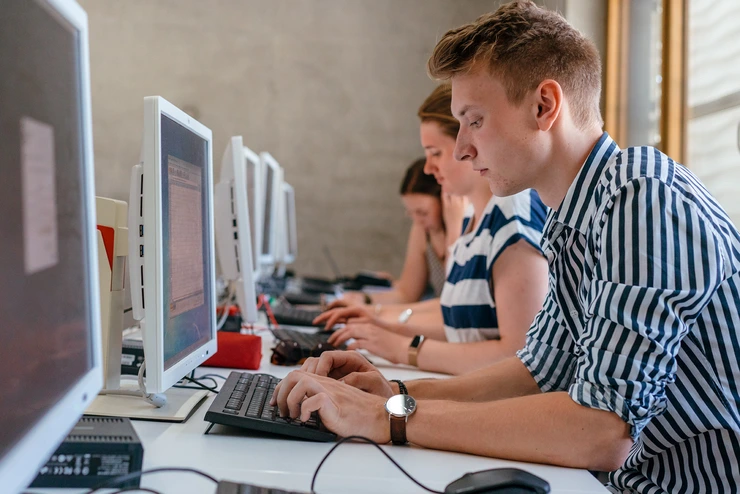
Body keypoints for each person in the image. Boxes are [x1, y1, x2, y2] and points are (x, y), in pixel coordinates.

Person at [271, 1, 740, 492]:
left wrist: (388, 418)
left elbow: (601, 430)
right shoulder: (575, 216)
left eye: (474, 120)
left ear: (544, 106)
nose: (460, 150)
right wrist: (395, 393)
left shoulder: (642, 198)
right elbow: (538, 371)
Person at [317, 84, 549, 375]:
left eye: (435, 153)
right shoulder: (474, 222)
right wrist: (379, 321)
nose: (428, 168)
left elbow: (519, 356)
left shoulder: (512, 219)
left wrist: (403, 347)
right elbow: (458, 319)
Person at [339, 157, 464, 307]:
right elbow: (407, 294)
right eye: (411, 213)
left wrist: (454, 230)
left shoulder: (464, 227)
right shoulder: (423, 230)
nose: (417, 220)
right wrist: (363, 299)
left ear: (446, 201)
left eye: (423, 212)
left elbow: (457, 296)